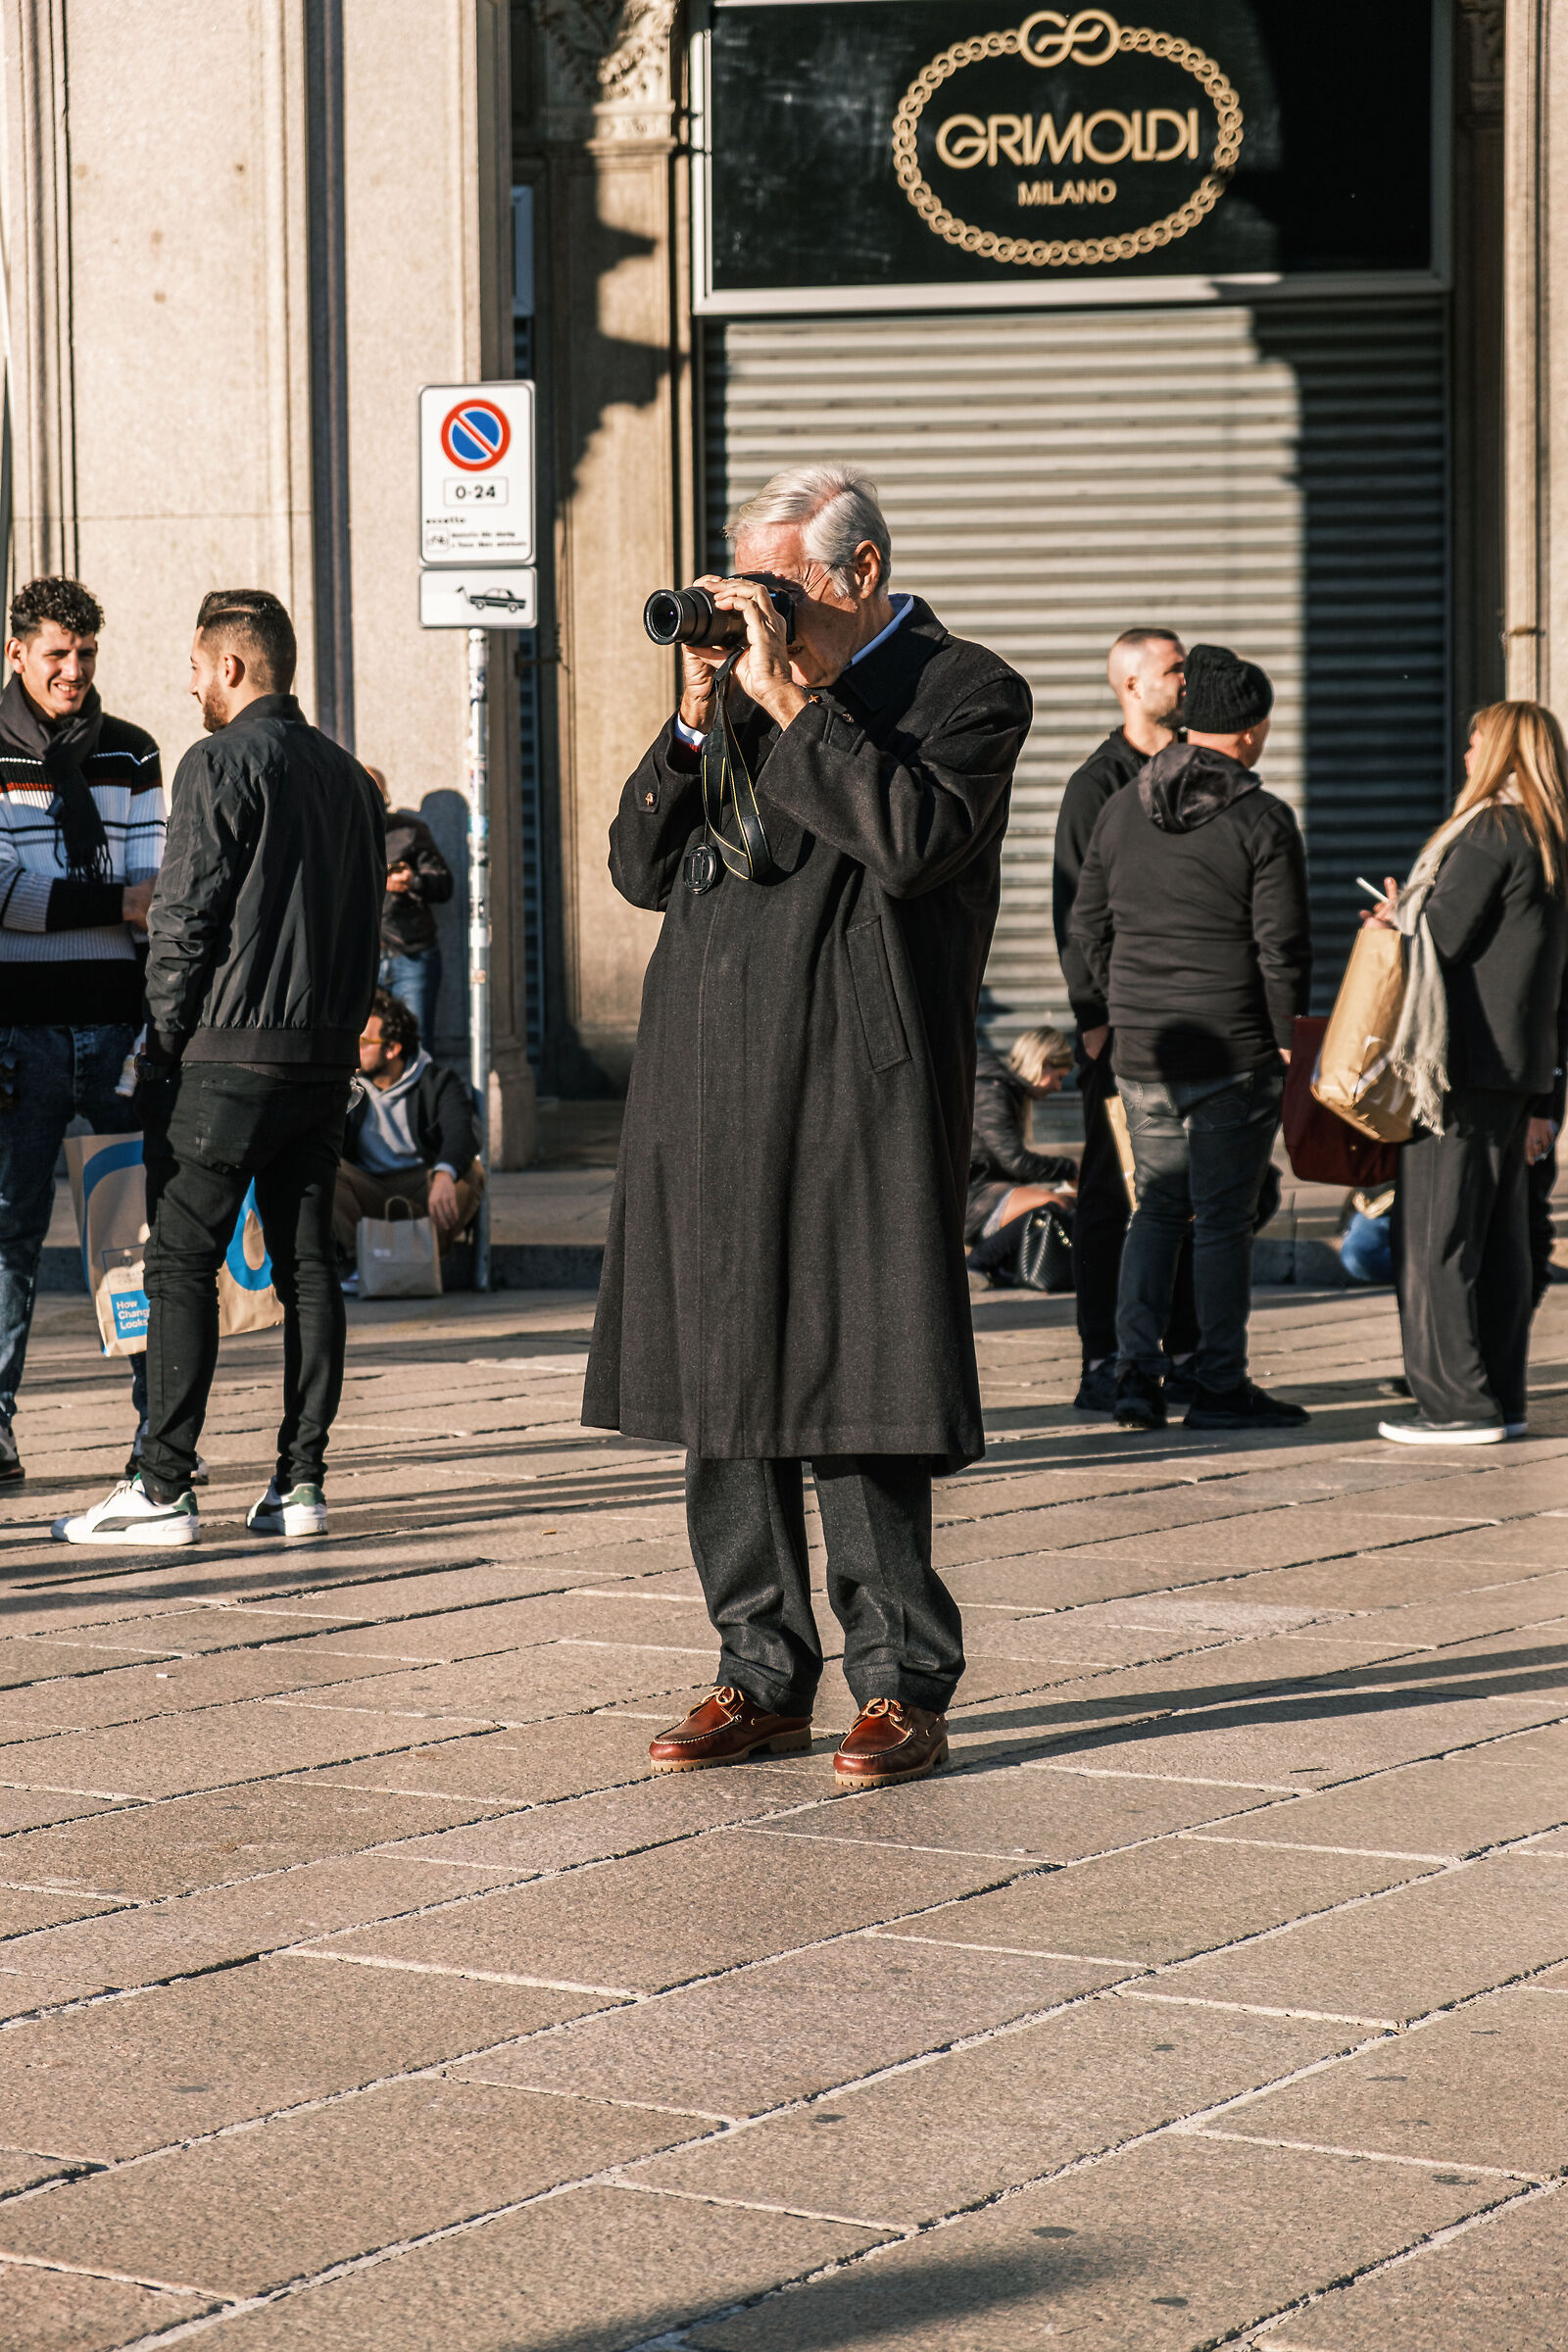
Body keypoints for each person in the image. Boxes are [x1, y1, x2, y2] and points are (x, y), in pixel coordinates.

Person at [582, 461, 1032, 1788]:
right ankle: (757, 1668)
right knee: (723, 1386)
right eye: (739, 583)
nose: (749, 609)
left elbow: (910, 842)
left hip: (855, 1081)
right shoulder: (739, 694)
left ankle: (901, 1685)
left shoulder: (964, 691)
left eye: (773, 587)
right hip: (707, 1071)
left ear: (861, 576)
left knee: (858, 1382)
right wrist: (692, 719)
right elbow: (637, 868)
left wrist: (794, 701)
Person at [55, 591, 384, 1545]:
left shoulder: (218, 760)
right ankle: (300, 1486)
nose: (192, 684)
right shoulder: (348, 780)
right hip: (321, 1062)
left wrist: (159, 1045)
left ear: (234, 668)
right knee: (309, 1268)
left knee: (178, 1262)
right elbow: (372, 928)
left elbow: (185, 915)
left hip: (229, 1057)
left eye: (198, 667)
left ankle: (161, 1486)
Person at [1071, 642, 1312, 1434]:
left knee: (1158, 1211)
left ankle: (1136, 1376)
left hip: (1144, 1050)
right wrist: (1285, 1039)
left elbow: (1089, 925)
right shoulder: (1262, 819)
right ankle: (1217, 1382)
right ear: (1248, 731)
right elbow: (1281, 946)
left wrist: (1113, 1011)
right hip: (1233, 1052)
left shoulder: (1121, 806)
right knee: (1222, 1221)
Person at [1365, 701, 1568, 1445]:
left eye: (1477, 740)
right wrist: (1551, 1092)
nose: (1466, 753)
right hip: (1516, 1069)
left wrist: (1394, 921)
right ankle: (1502, 1396)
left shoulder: (1489, 832)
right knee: (1500, 1241)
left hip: (1457, 1065)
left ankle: (1455, 1403)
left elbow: (1440, 940)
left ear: (1503, 750)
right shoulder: (1548, 840)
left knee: (1435, 1238)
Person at [0, 576, 163, 1484]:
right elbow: (0, 893)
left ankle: (156, 1434)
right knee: (8, 1231)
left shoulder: (132, 755)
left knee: (129, 1233)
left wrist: (70, 906)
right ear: (17, 653)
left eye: (86, 655)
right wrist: (112, 904)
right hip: (14, 1038)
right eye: (57, 654)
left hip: (113, 1030)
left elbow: (157, 892)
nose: (73, 671)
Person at [1054, 628, 1198, 1412]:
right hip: (1122, 1026)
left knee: (1180, 1191)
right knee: (1113, 1193)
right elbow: (1076, 907)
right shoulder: (1097, 784)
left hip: (1188, 1025)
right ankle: (1101, 1356)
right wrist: (1094, 1017)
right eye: (1174, 668)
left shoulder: (1193, 768)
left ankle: (1176, 1346)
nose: (1187, 677)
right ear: (1132, 686)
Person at [334, 989, 483, 1279]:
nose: (354, 1048)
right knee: (326, 1167)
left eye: (363, 1042)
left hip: (421, 1186)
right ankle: (357, 1264)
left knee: (472, 1173)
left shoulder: (437, 1081)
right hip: (368, 1186)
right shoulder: (349, 1085)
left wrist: (444, 1173)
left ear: (392, 1049)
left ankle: (424, 1260)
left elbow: (462, 1132)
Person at [965, 1027, 1077, 1282]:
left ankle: (997, 1267)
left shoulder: (1002, 1089)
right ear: (1044, 1063)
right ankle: (976, 1264)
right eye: (1058, 1077)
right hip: (972, 1197)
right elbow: (1017, 1163)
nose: (1059, 1088)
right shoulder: (993, 1092)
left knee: (1066, 1200)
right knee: (1056, 1206)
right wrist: (1071, 1169)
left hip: (982, 1190)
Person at [365, 765, 452, 1047]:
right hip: (360, 958)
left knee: (416, 1042)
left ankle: (419, 1092)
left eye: (374, 792)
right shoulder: (336, 834)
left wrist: (413, 880)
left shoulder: (409, 832)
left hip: (410, 954)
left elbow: (444, 884)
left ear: (385, 796)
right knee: (361, 1048)